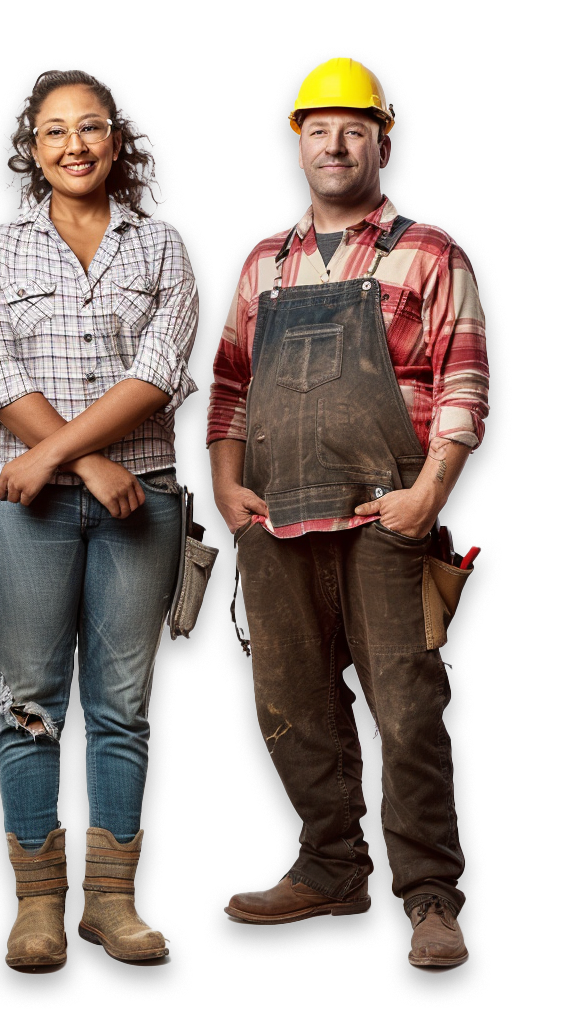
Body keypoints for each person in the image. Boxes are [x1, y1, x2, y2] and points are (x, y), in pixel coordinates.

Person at [206, 56, 488, 974]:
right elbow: (229, 389)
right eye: (318, 129)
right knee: (289, 704)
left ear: (382, 141)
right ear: (298, 146)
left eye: (354, 128)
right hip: (277, 520)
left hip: (387, 520)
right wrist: (224, 483)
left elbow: (465, 381)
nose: (335, 142)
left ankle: (431, 896)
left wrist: (430, 492)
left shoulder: (430, 251)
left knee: (407, 710)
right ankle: (331, 868)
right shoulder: (265, 262)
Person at [0, 67, 199, 971]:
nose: (73, 146)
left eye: (90, 129)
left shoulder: (163, 246)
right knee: (27, 702)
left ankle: (112, 903)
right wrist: (84, 461)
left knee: (123, 705)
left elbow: (164, 368)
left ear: (118, 141)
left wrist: (71, 455)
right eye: (53, 132)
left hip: (148, 501)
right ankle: (36, 907)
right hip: (28, 511)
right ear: (32, 150)